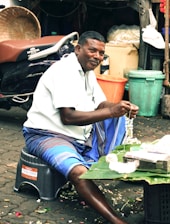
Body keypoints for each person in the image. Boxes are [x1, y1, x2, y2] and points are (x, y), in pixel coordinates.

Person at [23, 31, 139, 224]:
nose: (97, 56)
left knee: (117, 116)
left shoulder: (87, 72)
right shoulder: (63, 71)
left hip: (76, 136)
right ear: (78, 49)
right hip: (45, 135)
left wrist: (122, 107)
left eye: (101, 53)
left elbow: (102, 105)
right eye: (92, 50)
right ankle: (116, 221)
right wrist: (112, 111)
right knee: (79, 173)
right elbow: (68, 117)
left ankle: (100, 162)